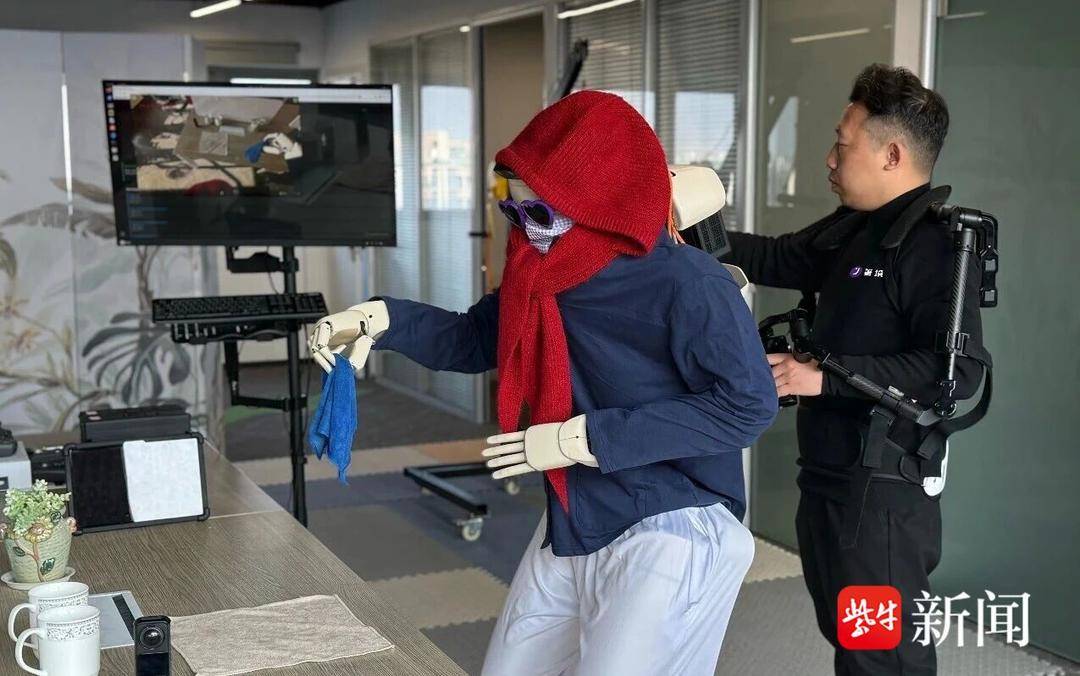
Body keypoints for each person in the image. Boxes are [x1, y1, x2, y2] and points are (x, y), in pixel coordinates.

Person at [310, 90, 778, 675]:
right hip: (578, 509)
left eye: (540, 214)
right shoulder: (541, 274)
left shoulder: (690, 283)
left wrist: (576, 439)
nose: (526, 231)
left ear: (600, 203)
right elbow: (476, 337)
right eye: (515, 212)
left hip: (673, 521)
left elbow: (747, 406)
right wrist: (381, 319)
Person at [724, 64, 992, 675]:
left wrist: (823, 377)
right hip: (829, 474)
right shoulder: (856, 229)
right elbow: (773, 256)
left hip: (883, 492)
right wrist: (673, 224)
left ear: (892, 154)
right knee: (850, 638)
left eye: (842, 146)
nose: (829, 159)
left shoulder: (937, 247)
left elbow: (953, 374)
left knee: (882, 656)